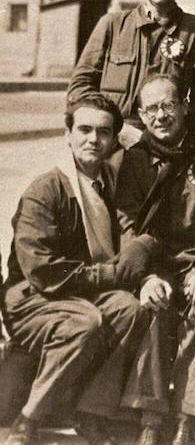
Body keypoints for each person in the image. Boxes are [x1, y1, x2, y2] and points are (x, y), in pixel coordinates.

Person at [1, 95, 155, 445]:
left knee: (130, 310)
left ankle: (91, 412)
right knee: (85, 322)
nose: (93, 140)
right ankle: (29, 419)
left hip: (78, 294)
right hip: (32, 298)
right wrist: (114, 275)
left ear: (114, 139)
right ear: (67, 134)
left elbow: (137, 141)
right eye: (84, 130)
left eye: (104, 132)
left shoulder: (109, 182)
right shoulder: (47, 189)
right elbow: (43, 272)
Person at [114, 75, 195, 445]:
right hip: (160, 264)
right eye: (151, 109)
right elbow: (129, 226)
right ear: (140, 115)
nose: (161, 116)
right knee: (152, 304)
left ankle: (190, 419)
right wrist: (146, 277)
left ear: (184, 104)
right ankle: (151, 419)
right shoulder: (135, 160)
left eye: (168, 105)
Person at [69, 0, 195, 149]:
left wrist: (174, 138)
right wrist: (117, 128)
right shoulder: (111, 25)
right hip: (113, 140)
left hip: (168, 143)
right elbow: (79, 88)